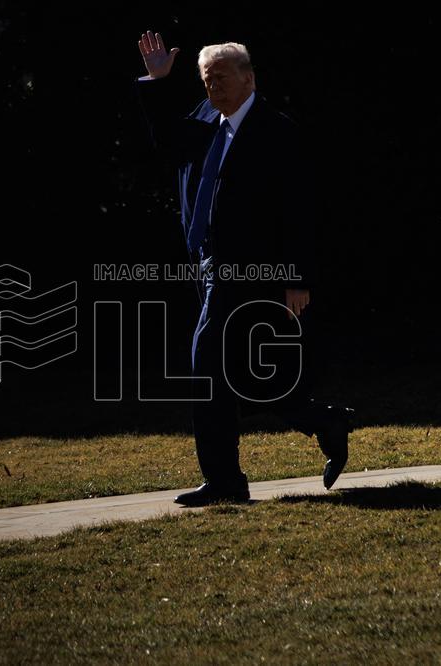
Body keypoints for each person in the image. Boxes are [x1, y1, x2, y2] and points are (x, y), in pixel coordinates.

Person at [135, 30, 356, 506]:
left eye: (220, 78)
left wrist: (297, 277)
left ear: (249, 79)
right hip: (209, 265)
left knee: (204, 367)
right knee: (248, 376)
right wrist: (157, 82)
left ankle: (225, 482)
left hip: (256, 270)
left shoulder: (277, 131)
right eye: (205, 79)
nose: (211, 87)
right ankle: (326, 422)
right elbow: (169, 146)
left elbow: (299, 209)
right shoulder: (201, 118)